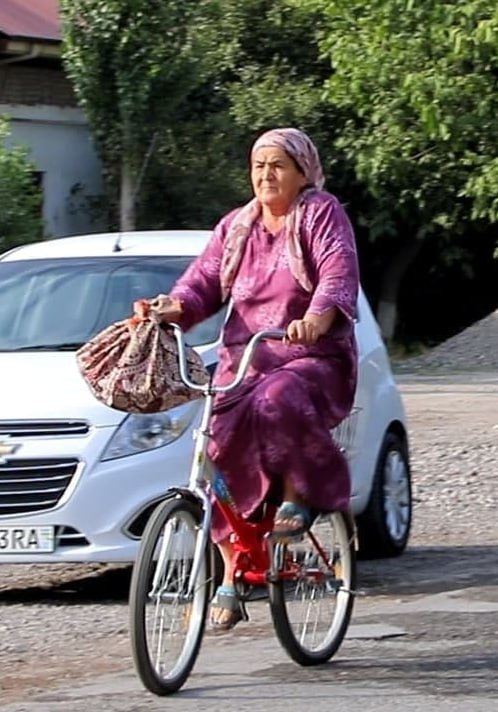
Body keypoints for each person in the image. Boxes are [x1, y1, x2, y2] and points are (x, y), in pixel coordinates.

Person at [139, 127, 359, 630]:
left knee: (278, 399)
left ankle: (301, 495)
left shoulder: (320, 213)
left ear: (303, 172)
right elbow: (203, 281)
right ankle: (232, 573)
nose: (266, 175)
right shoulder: (238, 226)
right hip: (246, 360)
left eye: (278, 165)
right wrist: (173, 307)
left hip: (311, 357)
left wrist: (316, 318)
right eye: (259, 165)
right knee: (214, 447)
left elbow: (337, 272)